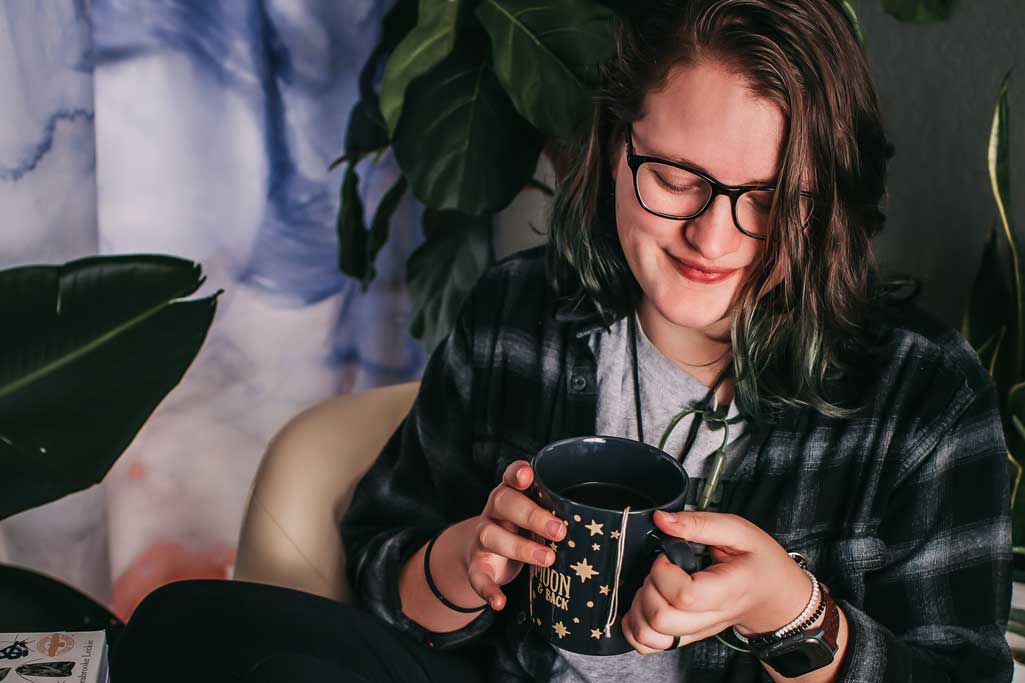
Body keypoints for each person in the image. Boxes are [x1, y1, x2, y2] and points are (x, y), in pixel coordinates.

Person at [111, 1, 1012, 682]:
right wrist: (461, 562)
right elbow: (384, 557)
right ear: (615, 148)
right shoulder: (517, 314)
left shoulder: (923, 395)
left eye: (774, 199)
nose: (715, 237)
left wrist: (795, 613)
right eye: (675, 177)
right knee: (179, 623)